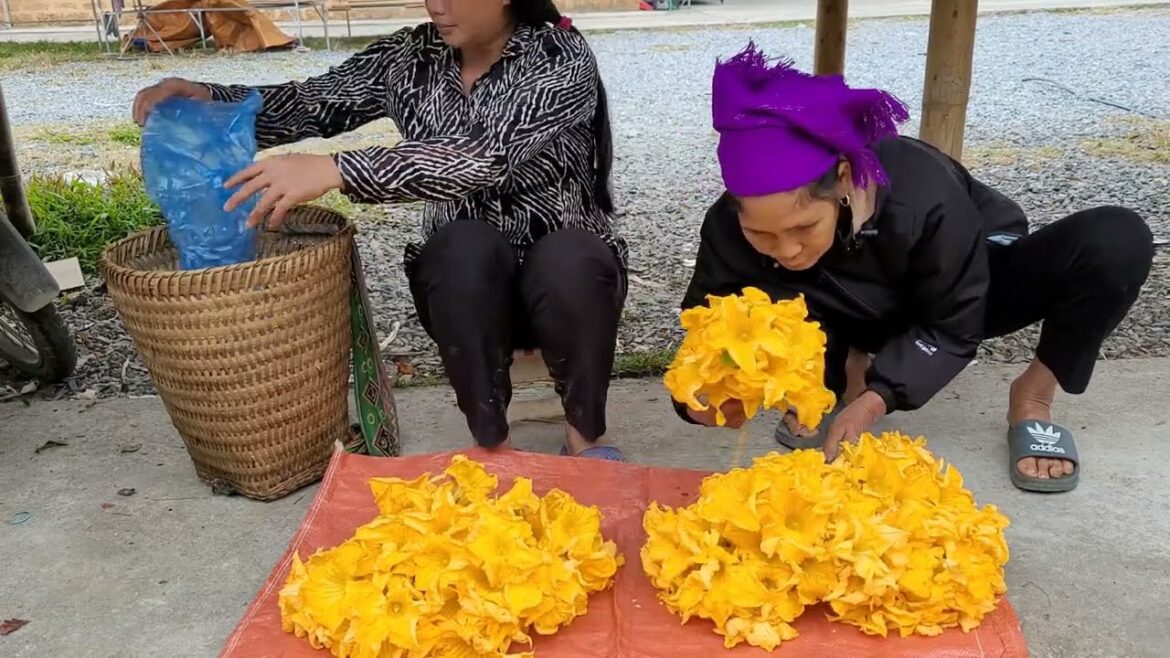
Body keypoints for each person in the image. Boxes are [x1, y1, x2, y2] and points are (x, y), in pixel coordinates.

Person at [132, 0, 628, 461]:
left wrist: (338, 170)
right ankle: (491, 443)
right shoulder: (409, 55)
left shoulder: (558, 54)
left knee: (570, 256)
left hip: (569, 294)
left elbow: (483, 155)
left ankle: (585, 435)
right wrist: (212, 99)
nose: (437, 5)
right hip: (467, 292)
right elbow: (311, 103)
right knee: (462, 245)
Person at [674, 43, 1154, 493]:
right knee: (771, 294)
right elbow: (707, 325)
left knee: (1115, 240)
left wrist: (872, 404)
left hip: (963, 287)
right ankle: (834, 374)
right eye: (763, 235)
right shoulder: (726, 227)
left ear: (843, 178)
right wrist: (704, 399)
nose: (789, 249)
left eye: (804, 227)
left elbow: (953, 322)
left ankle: (1033, 398)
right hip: (848, 302)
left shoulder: (924, 192)